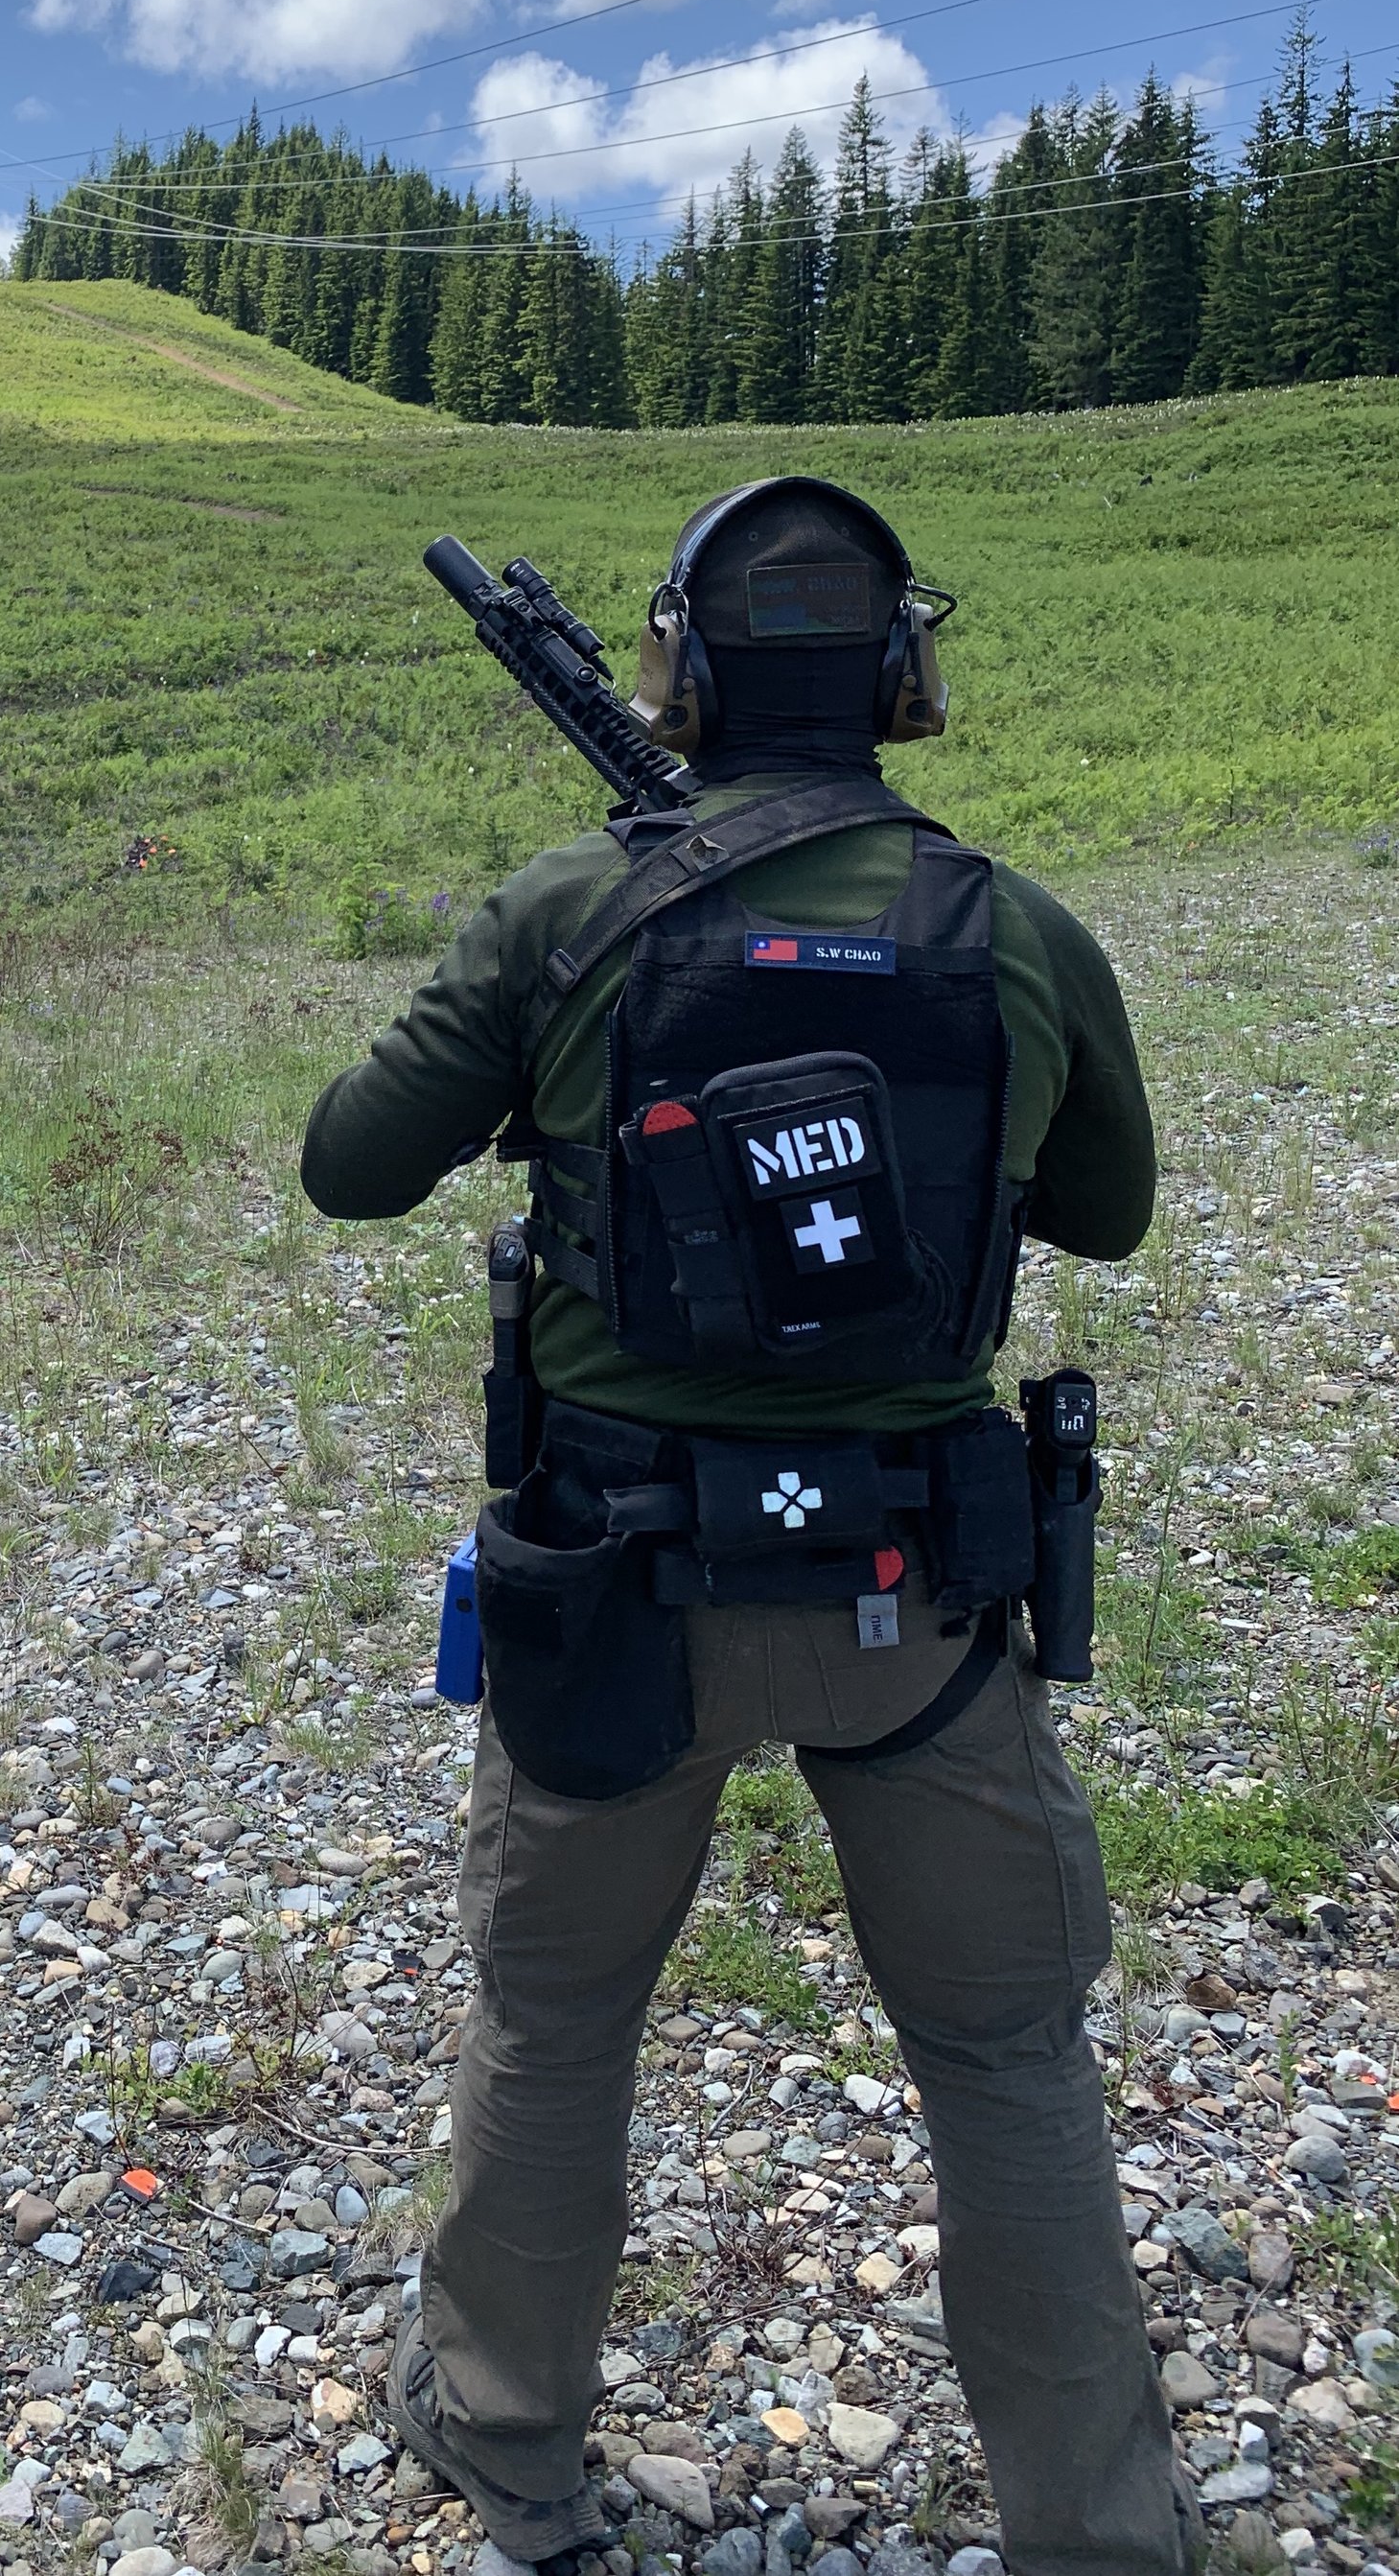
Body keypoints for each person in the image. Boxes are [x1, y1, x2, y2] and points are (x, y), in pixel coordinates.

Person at [300, 479, 1184, 2576]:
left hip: (616, 1595)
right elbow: (1105, 1214)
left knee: (551, 2023)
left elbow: (349, 1165)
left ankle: (508, 2442)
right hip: (922, 1598)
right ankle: (1100, 2533)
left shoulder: (559, 915)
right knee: (999, 2051)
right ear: (899, 675)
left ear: (676, 675)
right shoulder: (1016, 926)